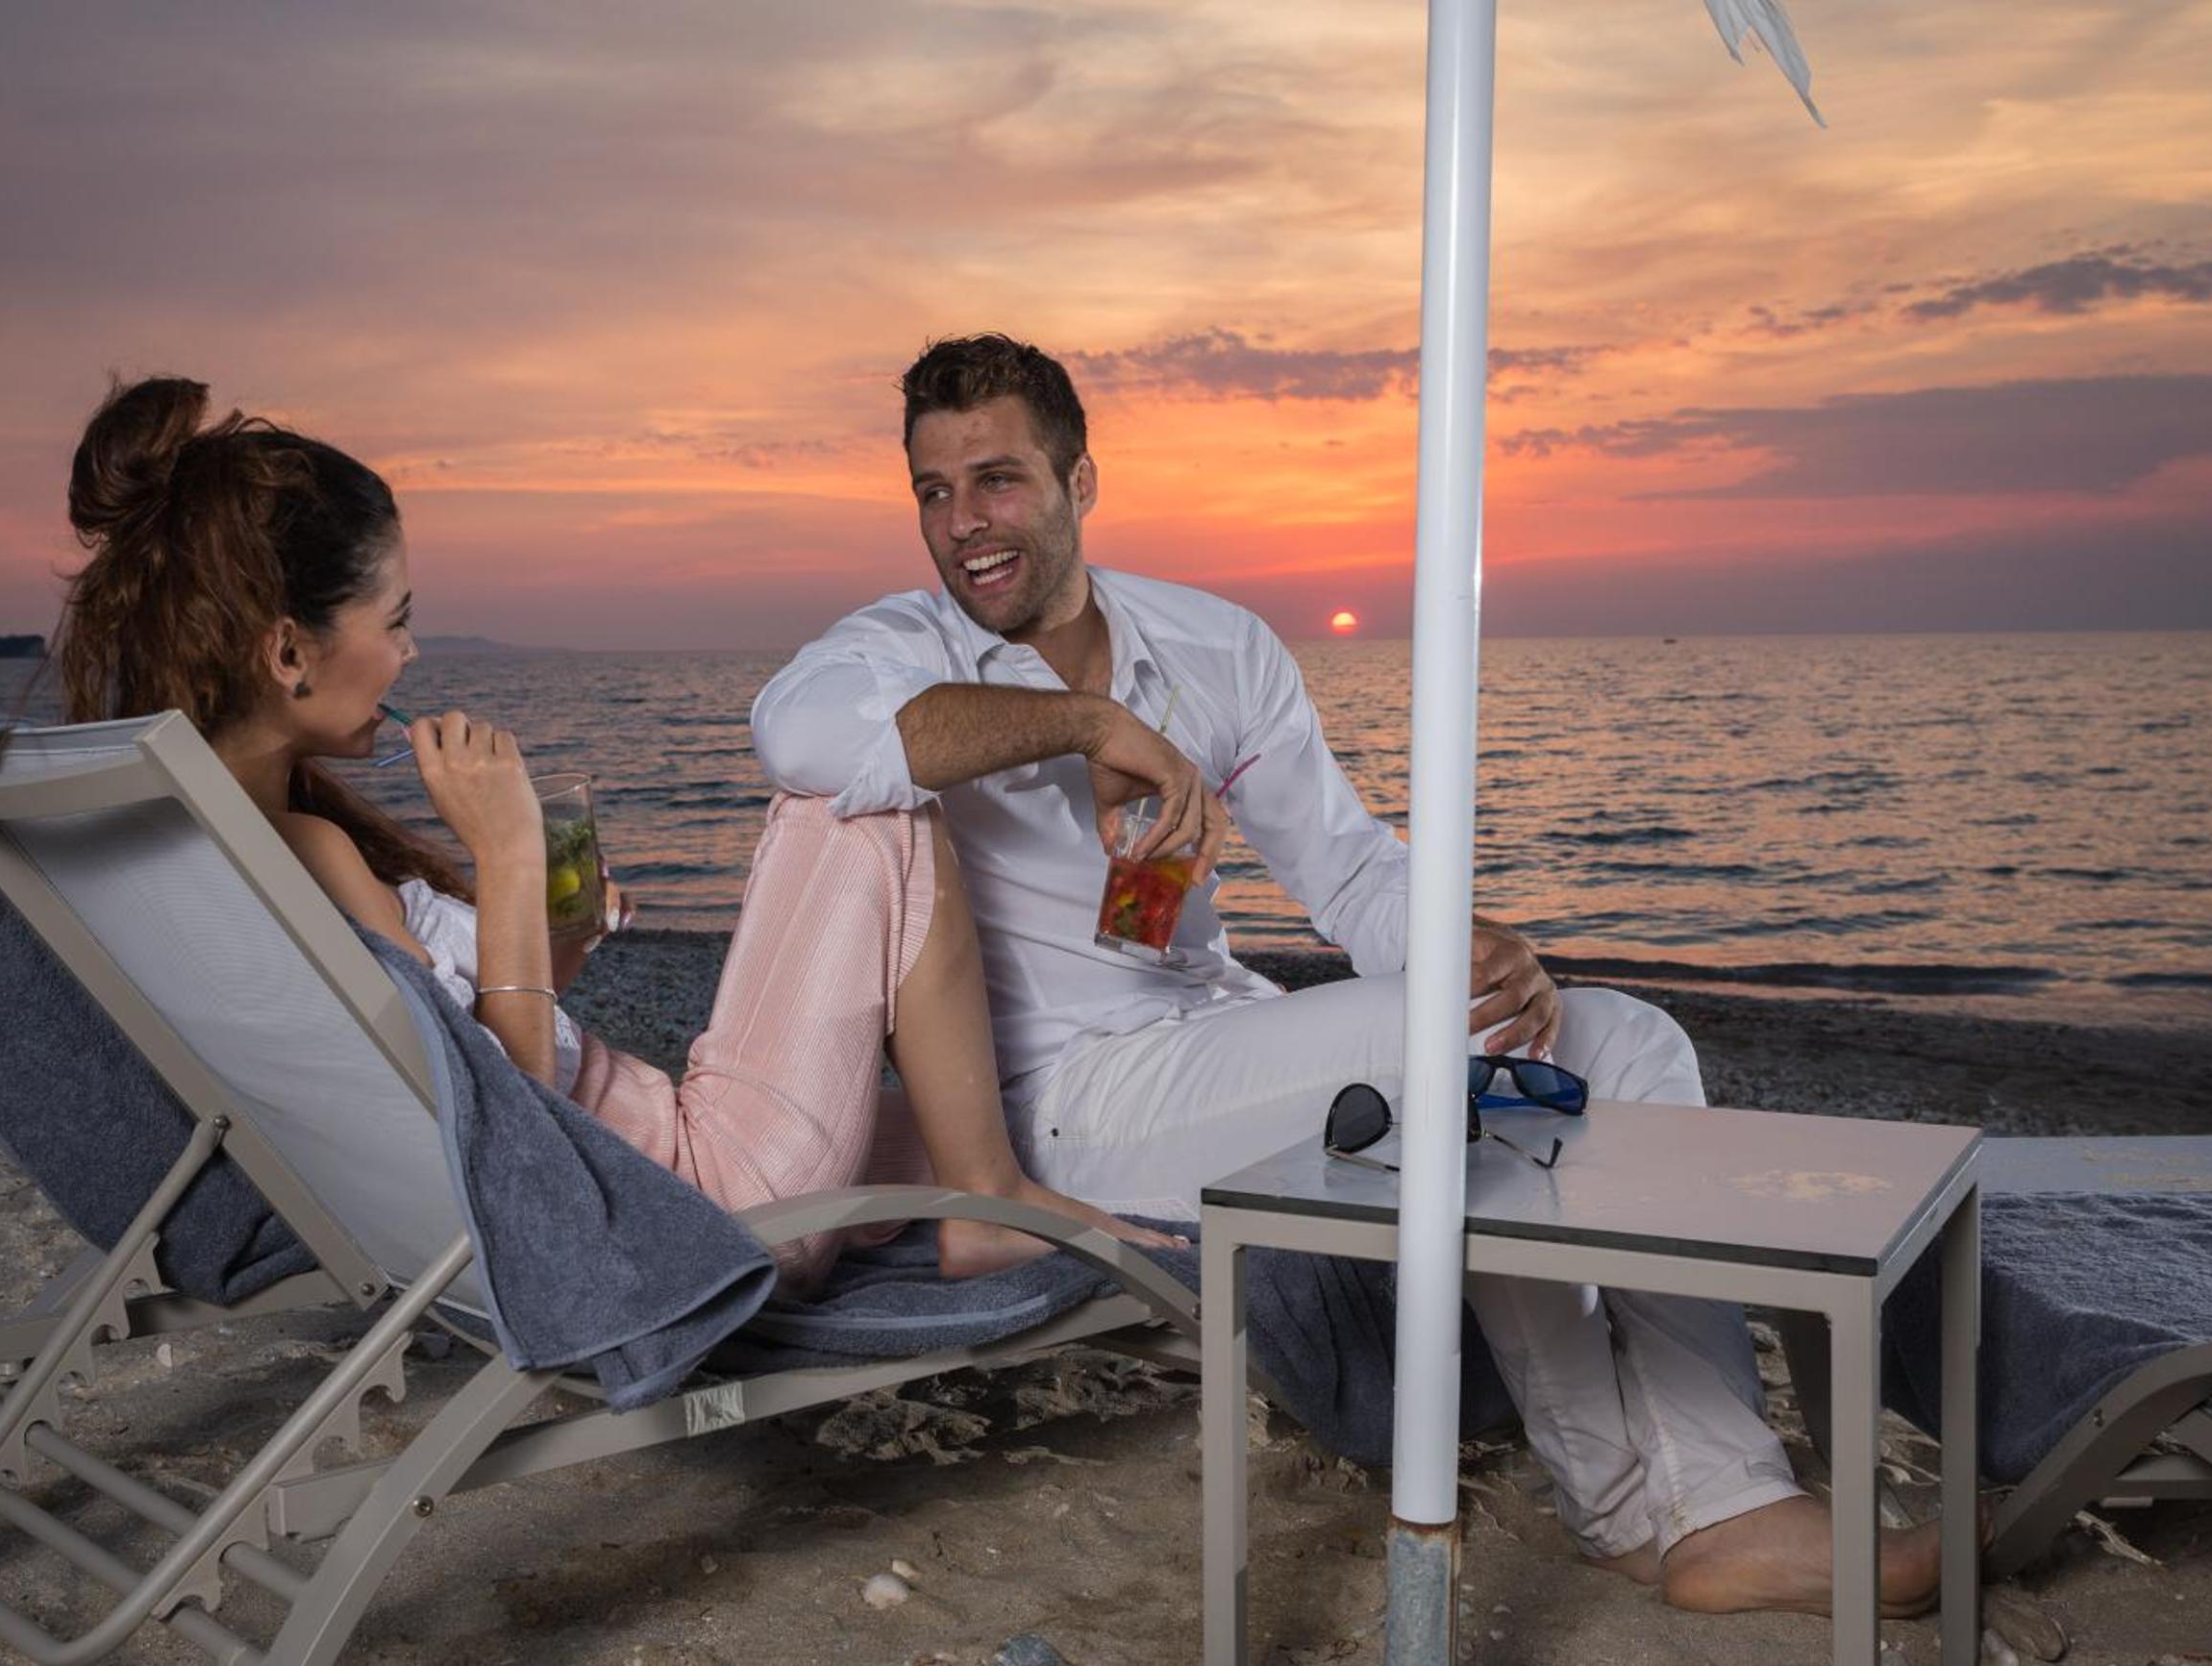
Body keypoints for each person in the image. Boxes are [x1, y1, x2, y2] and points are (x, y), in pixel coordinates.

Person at [750, 334, 1945, 1615]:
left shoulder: (1216, 645)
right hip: (1066, 1105)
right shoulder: (896, 649)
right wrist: (1090, 722)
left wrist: (1469, 946)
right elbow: (796, 734)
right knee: (1466, 1065)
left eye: (996, 479)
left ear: (1078, 481)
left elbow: (1349, 870)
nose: (962, 524)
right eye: (932, 491)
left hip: (1226, 1043)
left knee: (1625, 1041)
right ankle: (1630, 1507)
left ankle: (1724, 1492)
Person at [46, 374, 1181, 1291]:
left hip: (663, 1154)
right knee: (859, 799)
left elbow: (456, 1062)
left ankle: (1026, 1184)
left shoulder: (207, 863)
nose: (410, 654)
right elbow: (502, 1140)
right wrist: (505, 855)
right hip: (686, 1198)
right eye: (396, 621)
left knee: (1014, 1131)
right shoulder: (309, 855)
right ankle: (993, 1213)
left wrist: (554, 936)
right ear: (290, 652)